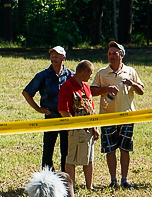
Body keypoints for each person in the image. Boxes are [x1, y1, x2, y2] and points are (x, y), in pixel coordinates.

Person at [91, 41, 144, 188]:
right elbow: (92, 91)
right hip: (107, 117)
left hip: (127, 116)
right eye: (109, 53)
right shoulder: (102, 73)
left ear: (122, 55)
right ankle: (113, 180)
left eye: (114, 53)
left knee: (125, 148)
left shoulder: (130, 71)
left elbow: (141, 91)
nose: (111, 56)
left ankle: (124, 180)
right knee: (110, 149)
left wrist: (132, 84)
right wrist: (106, 89)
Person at [23, 46, 71, 173]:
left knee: (66, 150)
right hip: (50, 117)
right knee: (48, 150)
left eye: (57, 55)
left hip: (67, 118)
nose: (54, 58)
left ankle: (65, 177)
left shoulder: (71, 75)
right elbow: (27, 93)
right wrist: (38, 109)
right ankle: (47, 178)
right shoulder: (43, 75)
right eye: (52, 55)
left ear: (63, 58)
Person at [59, 61, 99, 189]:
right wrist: (73, 126)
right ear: (84, 71)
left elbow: (91, 108)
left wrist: (95, 127)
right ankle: (71, 187)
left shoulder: (85, 87)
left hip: (89, 130)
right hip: (76, 129)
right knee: (71, 159)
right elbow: (62, 110)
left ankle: (89, 186)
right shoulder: (67, 86)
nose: (90, 77)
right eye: (90, 73)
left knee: (89, 158)